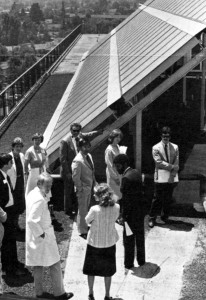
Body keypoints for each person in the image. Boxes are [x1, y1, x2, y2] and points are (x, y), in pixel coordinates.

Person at [26, 173, 73, 299]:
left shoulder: (32, 194)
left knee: (38, 264)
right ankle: (60, 293)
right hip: (43, 235)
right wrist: (41, 234)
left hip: (34, 237)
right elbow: (31, 220)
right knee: (55, 263)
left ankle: (39, 292)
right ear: (39, 184)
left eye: (50, 185)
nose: (49, 188)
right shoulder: (39, 199)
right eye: (47, 185)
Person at [83, 183, 120, 300]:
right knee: (108, 272)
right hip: (109, 243)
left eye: (95, 194)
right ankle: (107, 295)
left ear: (100, 196)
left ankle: (90, 294)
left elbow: (87, 221)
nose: (94, 196)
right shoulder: (117, 207)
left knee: (91, 270)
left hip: (94, 244)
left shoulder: (94, 209)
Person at [60, 123, 103, 217]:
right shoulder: (65, 141)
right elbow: (63, 159)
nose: (75, 132)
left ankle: (77, 208)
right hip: (68, 170)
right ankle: (68, 210)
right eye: (73, 130)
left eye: (77, 131)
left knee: (78, 189)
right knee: (69, 190)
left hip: (78, 168)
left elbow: (90, 134)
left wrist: (99, 132)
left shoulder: (81, 136)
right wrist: (67, 172)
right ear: (70, 130)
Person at [113, 154, 145, 269]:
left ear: (124, 164)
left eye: (118, 166)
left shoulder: (126, 178)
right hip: (140, 212)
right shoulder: (136, 172)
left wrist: (123, 216)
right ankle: (141, 260)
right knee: (140, 238)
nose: (117, 169)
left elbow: (126, 201)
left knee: (129, 240)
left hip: (130, 215)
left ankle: (128, 263)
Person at [0, 153, 27, 276]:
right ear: (5, 164)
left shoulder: (6, 176)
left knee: (12, 239)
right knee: (8, 241)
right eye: (10, 162)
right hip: (5, 213)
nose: (12, 164)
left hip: (11, 211)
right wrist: (3, 214)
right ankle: (9, 268)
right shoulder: (0, 178)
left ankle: (14, 263)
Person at [148, 126, 179, 228]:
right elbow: (158, 162)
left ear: (170, 137)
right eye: (164, 136)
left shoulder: (175, 147)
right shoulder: (155, 147)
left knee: (168, 198)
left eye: (168, 136)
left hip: (171, 176)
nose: (166, 138)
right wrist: (172, 167)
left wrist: (172, 175)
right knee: (157, 198)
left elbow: (177, 162)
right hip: (160, 177)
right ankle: (152, 217)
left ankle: (164, 216)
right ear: (161, 136)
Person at [71, 137, 96, 238]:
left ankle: (85, 226)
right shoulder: (77, 160)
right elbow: (75, 177)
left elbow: (92, 170)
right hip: (83, 189)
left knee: (86, 209)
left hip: (89, 187)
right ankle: (82, 231)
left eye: (88, 146)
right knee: (82, 210)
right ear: (80, 147)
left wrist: (94, 182)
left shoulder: (89, 156)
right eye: (85, 147)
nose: (87, 148)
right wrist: (81, 189)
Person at [7, 137, 25, 231]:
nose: (18, 148)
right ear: (13, 147)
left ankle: (16, 225)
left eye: (20, 146)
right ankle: (11, 226)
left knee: (19, 206)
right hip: (12, 186)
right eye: (16, 146)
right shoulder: (8, 157)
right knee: (12, 206)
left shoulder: (21, 155)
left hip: (20, 184)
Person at [24, 133, 49, 197]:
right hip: (33, 172)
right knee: (33, 190)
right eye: (36, 140)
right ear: (33, 140)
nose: (37, 141)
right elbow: (25, 164)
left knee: (43, 190)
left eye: (39, 140)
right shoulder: (29, 151)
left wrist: (47, 168)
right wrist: (26, 174)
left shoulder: (43, 150)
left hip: (42, 171)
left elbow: (46, 159)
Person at [105, 129, 126, 201]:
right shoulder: (109, 149)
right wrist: (115, 178)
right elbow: (109, 165)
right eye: (117, 137)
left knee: (119, 195)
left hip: (119, 173)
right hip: (113, 175)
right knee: (112, 195)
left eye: (120, 137)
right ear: (112, 137)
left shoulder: (117, 146)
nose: (118, 139)